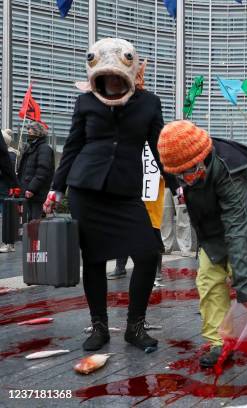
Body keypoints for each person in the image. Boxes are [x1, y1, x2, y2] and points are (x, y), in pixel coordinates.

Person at [44, 38, 178, 352]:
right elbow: (74, 147)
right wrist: (55, 188)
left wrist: (177, 186)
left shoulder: (149, 103)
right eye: (108, 75)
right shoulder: (86, 102)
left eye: (119, 74)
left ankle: (134, 326)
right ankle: (99, 326)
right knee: (93, 260)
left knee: (147, 254)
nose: (113, 80)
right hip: (86, 189)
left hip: (126, 192)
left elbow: (160, 149)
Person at [157, 120, 247, 367]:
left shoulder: (229, 170)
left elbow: (237, 232)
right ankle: (220, 343)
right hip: (212, 223)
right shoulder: (183, 166)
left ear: (203, 157)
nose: (184, 181)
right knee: (208, 279)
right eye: (178, 175)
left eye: (188, 172)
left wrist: (246, 291)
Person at [109, 177, 167, 280]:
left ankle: (157, 270)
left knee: (153, 231)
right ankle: (120, 267)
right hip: (133, 194)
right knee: (124, 231)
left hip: (151, 197)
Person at [17, 122, 55, 221]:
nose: (28, 133)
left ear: (39, 133)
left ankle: (34, 237)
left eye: (31, 131)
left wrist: (32, 189)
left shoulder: (44, 149)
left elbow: (42, 171)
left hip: (35, 193)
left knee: (34, 221)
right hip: (28, 191)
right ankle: (30, 236)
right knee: (29, 222)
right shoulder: (30, 148)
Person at [0, 129, 19, 253]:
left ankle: (8, 242)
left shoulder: (11, 155)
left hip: (4, 188)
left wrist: (14, 184)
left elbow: (7, 168)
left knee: (6, 216)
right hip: (4, 187)